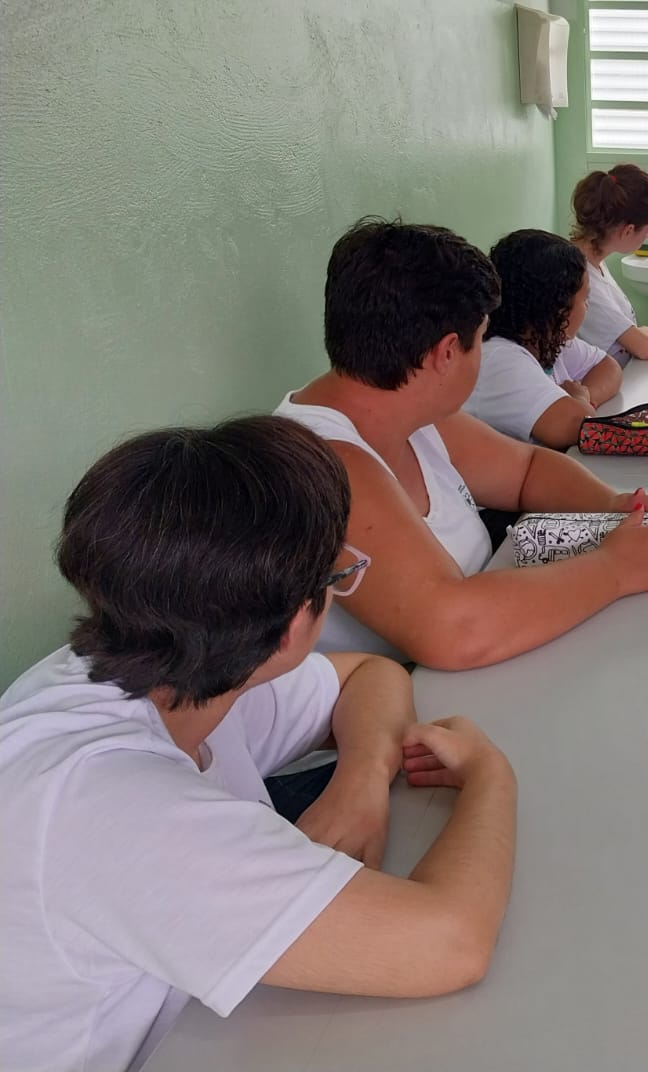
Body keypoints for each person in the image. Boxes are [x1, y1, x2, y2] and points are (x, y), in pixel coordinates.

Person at [0, 418, 519, 1072]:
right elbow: (450, 943)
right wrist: (491, 777)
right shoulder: (117, 809)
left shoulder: (162, 661)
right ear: (294, 625)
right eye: (337, 576)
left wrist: (361, 778)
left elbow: (368, 675)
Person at [276, 217, 648, 672]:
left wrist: (615, 507)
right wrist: (616, 568)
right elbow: (454, 629)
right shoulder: (321, 466)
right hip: (418, 690)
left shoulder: (405, 410)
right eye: (480, 340)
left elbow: (525, 470)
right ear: (446, 353)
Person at [465, 228, 623, 449]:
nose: (587, 306)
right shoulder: (500, 360)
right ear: (558, 307)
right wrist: (578, 403)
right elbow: (578, 426)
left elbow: (609, 368)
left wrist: (584, 397)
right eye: (584, 298)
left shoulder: (546, 337)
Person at [570, 164, 648, 364]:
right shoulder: (581, 277)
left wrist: (637, 333)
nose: (647, 237)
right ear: (628, 230)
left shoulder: (593, 260)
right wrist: (643, 334)